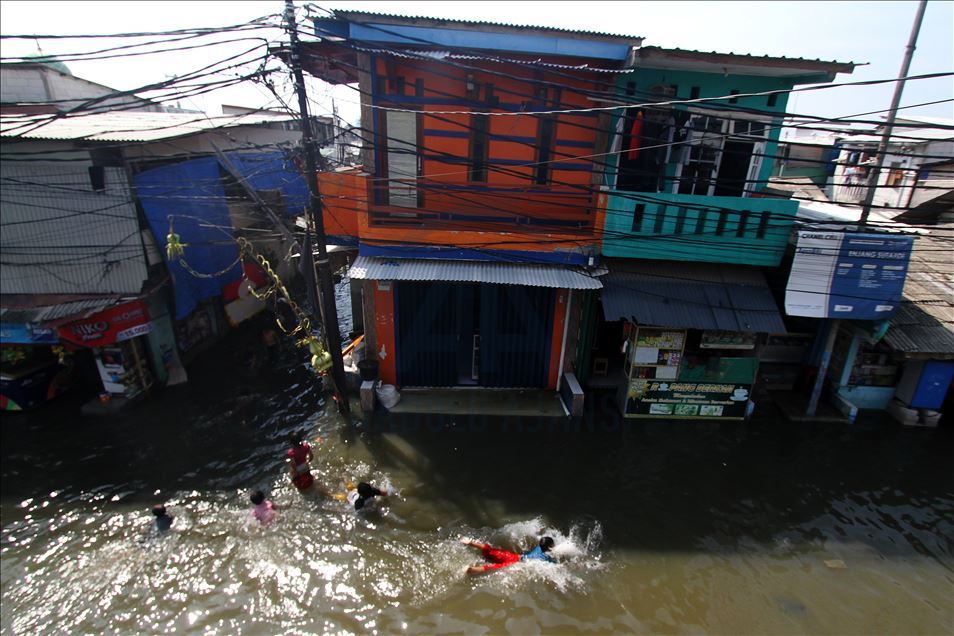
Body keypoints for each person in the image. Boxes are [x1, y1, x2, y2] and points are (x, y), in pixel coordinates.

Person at [461, 536, 555, 574]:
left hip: (514, 556)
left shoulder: (538, 548)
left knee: (491, 551)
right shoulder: (546, 557)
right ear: (549, 547)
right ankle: (471, 569)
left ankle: (471, 543)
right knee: (494, 567)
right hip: (516, 563)